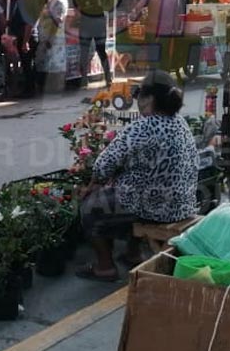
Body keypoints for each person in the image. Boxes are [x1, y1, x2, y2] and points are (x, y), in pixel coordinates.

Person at [76, 70, 198, 282]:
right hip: (182, 203)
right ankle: (133, 253)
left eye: (139, 95)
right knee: (132, 194)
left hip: (156, 207)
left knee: (91, 207)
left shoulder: (143, 126)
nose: (137, 101)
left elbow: (103, 165)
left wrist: (92, 187)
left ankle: (105, 266)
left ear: (149, 98)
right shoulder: (180, 123)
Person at [74, 0, 113, 87]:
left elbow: (78, 10)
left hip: (87, 20)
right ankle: (108, 78)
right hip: (100, 20)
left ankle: (84, 79)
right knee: (101, 50)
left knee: (84, 50)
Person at [35, 0, 69, 93]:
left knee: (54, 64)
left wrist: (50, 38)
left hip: (54, 38)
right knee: (46, 63)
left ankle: (54, 88)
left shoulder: (60, 0)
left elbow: (57, 21)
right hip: (46, 35)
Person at [3, 0, 37, 96]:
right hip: (21, 36)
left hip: (26, 36)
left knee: (27, 64)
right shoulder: (19, 3)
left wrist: (25, 42)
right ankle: (28, 88)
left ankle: (30, 89)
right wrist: (9, 22)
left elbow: (28, 23)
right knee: (25, 63)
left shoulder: (26, 2)